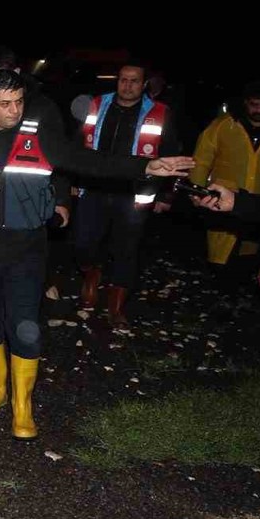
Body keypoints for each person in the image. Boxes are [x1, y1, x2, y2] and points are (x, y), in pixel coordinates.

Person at [0, 69, 195, 440]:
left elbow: (89, 161)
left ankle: (22, 406)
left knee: (25, 327)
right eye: (4, 104)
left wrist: (145, 166)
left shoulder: (40, 135)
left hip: (26, 250)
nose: (14, 110)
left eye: (18, 101)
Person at [73, 63, 181, 326]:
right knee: (82, 241)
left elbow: (170, 154)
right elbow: (77, 142)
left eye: (134, 81)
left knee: (127, 249)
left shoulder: (160, 112)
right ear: (116, 80)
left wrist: (166, 195)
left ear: (144, 84)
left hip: (135, 193)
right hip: (95, 186)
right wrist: (73, 179)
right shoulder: (96, 104)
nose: (128, 85)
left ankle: (116, 305)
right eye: (123, 80)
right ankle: (92, 272)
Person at [189, 81, 260, 282]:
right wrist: (196, 190)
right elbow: (201, 159)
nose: (259, 110)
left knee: (255, 256)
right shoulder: (223, 126)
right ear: (245, 104)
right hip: (224, 200)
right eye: (254, 104)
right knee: (221, 258)